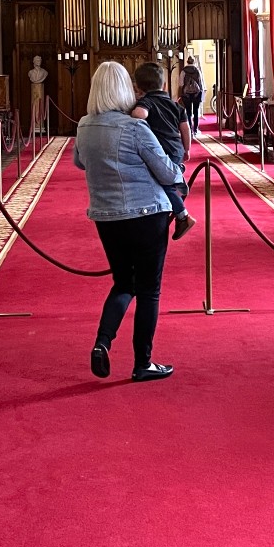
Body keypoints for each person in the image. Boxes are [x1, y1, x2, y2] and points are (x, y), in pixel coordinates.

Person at [74, 61, 185, 383]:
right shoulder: (133, 127)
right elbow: (166, 171)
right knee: (149, 290)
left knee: (123, 283)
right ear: (124, 89)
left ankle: (102, 342)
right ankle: (143, 363)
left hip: (106, 216)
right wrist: (178, 175)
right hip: (146, 214)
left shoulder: (84, 124)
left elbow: (80, 162)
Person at [131, 62, 196, 240]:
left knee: (164, 185)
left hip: (160, 150)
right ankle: (177, 175)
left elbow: (139, 115)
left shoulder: (147, 101)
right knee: (166, 178)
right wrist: (187, 149)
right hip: (176, 148)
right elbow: (185, 128)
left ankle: (183, 216)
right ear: (165, 85)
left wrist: (132, 110)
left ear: (138, 87)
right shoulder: (175, 105)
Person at [178, 55, 204, 134]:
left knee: (188, 112)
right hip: (196, 93)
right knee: (196, 111)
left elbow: (181, 84)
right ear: (194, 61)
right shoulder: (197, 70)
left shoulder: (183, 71)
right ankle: (196, 129)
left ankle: (190, 128)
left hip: (186, 94)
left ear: (187, 61)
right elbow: (200, 83)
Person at [28, 54, 48, 133]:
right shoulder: (30, 73)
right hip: (34, 89)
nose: (39, 62)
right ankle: (35, 125)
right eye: (37, 60)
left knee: (40, 107)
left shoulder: (44, 72)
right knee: (35, 106)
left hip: (40, 89)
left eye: (40, 60)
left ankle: (40, 125)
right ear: (34, 62)